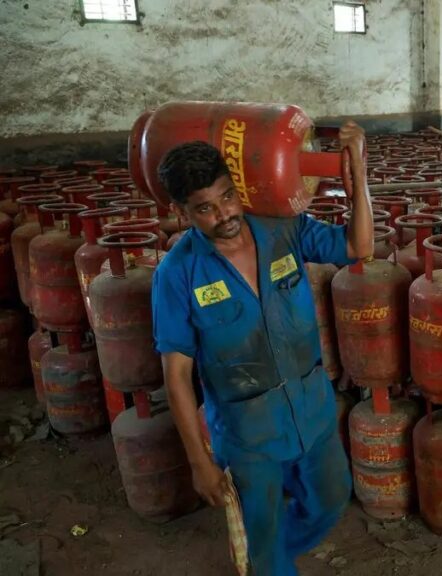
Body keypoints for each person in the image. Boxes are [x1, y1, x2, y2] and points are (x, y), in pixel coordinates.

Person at [151, 122, 373, 575]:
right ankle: (269, 561)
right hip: (247, 432)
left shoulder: (280, 228)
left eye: (228, 196)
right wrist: (199, 462)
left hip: (311, 409)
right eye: (206, 209)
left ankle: (267, 556)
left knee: (331, 499)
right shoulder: (177, 274)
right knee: (265, 535)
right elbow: (176, 376)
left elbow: (358, 246)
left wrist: (359, 177)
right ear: (182, 212)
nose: (225, 214)